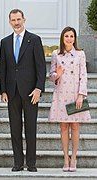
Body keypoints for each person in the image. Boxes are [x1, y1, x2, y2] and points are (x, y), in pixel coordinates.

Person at [0, 9, 46, 172]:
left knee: (30, 128)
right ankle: (18, 162)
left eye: (19, 19)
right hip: (12, 92)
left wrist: (39, 88)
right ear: (9, 22)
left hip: (31, 92)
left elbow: (41, 67)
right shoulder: (4, 42)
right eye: (13, 20)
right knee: (15, 128)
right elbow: (3, 68)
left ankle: (31, 163)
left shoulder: (34, 40)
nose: (16, 22)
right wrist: (3, 90)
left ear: (24, 19)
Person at [48, 26, 91, 172]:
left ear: (74, 38)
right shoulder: (56, 54)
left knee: (75, 126)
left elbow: (83, 75)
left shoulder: (80, 54)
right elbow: (51, 75)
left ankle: (74, 158)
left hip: (75, 94)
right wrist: (57, 74)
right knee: (64, 126)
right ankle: (65, 158)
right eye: (66, 36)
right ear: (62, 38)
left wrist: (81, 95)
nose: (69, 39)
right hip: (61, 94)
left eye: (71, 36)